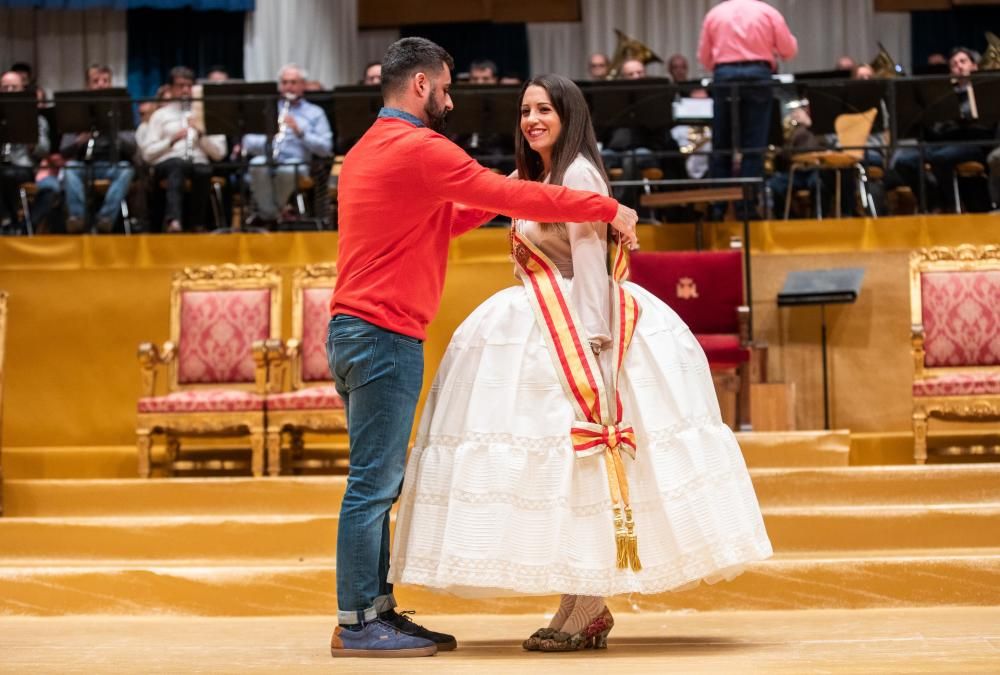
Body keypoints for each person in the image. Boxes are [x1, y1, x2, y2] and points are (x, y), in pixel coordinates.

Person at [388, 73, 772, 652]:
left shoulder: (579, 173)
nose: (532, 120)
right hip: (537, 324)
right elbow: (480, 207)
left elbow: (592, 265)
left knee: (584, 463)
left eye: (545, 109)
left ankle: (588, 600)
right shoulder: (535, 175)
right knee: (560, 472)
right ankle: (578, 601)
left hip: (577, 328)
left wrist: (599, 345)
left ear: (569, 115)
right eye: (525, 111)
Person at [328, 37, 638, 658]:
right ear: (420, 86)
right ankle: (359, 621)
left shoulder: (368, 148)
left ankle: (378, 609)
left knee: (379, 480)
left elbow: (447, 219)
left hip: (356, 329)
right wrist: (604, 205)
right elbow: (506, 197)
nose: (449, 98)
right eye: (444, 87)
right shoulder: (420, 145)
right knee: (373, 483)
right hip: (383, 332)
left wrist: (513, 200)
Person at [698, 0, 797, 218]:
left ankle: (719, 207)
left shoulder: (716, 13)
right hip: (757, 74)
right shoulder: (767, 12)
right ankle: (747, 207)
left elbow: (704, 59)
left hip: (724, 75)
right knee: (754, 145)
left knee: (721, 144)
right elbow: (788, 51)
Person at [138, 66, 227, 232]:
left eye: (189, 85)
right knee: (177, 165)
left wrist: (201, 134)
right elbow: (147, 153)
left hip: (197, 161)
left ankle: (197, 225)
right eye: (180, 86)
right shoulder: (160, 115)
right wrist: (171, 140)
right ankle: (173, 221)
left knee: (204, 170)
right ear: (171, 89)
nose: (185, 90)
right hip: (168, 163)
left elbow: (219, 153)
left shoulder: (206, 114)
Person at [243, 64, 332, 226]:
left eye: (293, 82)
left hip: (298, 162)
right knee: (256, 164)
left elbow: (325, 148)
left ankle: (267, 217)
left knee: (287, 169)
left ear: (303, 85)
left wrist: (300, 133)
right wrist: (270, 137)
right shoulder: (267, 109)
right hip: (268, 157)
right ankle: (275, 213)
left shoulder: (315, 112)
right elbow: (248, 141)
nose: (288, 86)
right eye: (284, 83)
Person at [60, 64, 136, 233]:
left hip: (112, 164)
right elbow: (64, 149)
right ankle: (77, 218)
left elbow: (133, 147)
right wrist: (80, 140)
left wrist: (114, 131)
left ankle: (105, 218)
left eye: (105, 81)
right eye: (96, 81)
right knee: (70, 168)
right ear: (88, 85)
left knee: (126, 169)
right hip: (84, 165)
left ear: (111, 84)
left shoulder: (121, 109)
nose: (101, 85)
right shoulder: (76, 110)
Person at [0, 70, 58, 233]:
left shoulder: (36, 118)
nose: (10, 92)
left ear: (23, 90)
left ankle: (12, 224)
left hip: (23, 167)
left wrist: (30, 141)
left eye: (14, 87)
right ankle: (7, 221)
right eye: (5, 88)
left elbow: (44, 149)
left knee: (8, 174)